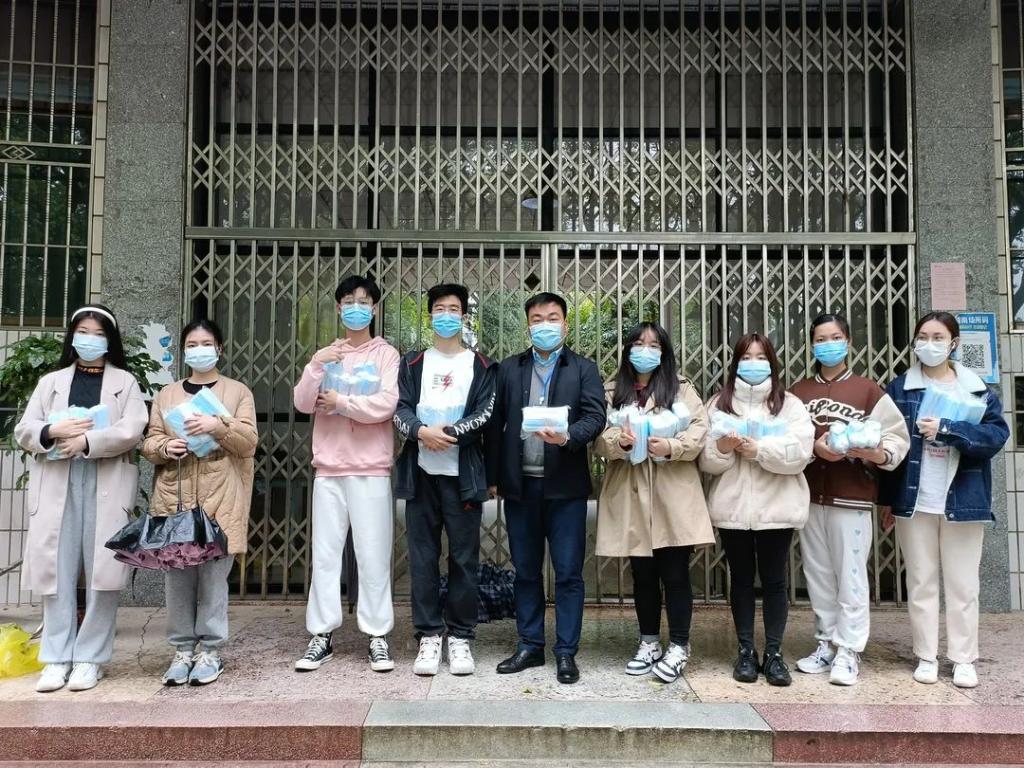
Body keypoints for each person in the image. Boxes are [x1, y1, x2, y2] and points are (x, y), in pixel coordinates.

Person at [15, 305, 148, 693]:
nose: (90, 340)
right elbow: (25, 429)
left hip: (104, 477)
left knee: (102, 572)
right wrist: (52, 431)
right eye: (83, 332)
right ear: (72, 337)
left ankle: (90, 658)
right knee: (56, 567)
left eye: (98, 334)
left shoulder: (125, 382)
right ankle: (56, 658)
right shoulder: (51, 382)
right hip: (58, 478)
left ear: (110, 340)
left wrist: (87, 441)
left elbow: (133, 428)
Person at [879, 311, 1009, 689]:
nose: (929, 344)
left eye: (938, 337)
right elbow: (890, 443)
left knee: (963, 584)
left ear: (954, 343)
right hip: (915, 500)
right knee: (921, 581)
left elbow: (995, 436)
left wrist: (948, 429)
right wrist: (888, 500)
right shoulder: (901, 388)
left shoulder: (976, 389)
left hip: (963, 499)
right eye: (923, 336)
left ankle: (963, 658)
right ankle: (926, 655)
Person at [487, 292, 606, 685]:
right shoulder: (510, 369)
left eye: (552, 318)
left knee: (569, 572)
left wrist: (568, 436)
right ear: (528, 325)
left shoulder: (583, 368)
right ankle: (530, 645)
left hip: (565, 488)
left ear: (565, 325)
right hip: (521, 487)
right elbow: (495, 424)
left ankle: (566, 652)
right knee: (525, 571)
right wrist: (493, 476)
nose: (545, 325)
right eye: (537, 319)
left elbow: (596, 416)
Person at [790, 314, 910, 686]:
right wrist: (814, 448)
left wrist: (876, 453)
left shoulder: (868, 391)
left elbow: (897, 439)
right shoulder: (798, 392)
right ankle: (826, 642)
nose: (828, 344)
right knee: (818, 574)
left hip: (852, 497)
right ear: (811, 345)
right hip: (809, 495)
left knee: (851, 576)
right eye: (820, 339)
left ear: (848, 342)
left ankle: (849, 649)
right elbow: (787, 439)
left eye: (835, 337)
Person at [594, 322, 715, 684]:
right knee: (643, 574)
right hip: (631, 493)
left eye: (653, 344)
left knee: (675, 573)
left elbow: (699, 429)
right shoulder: (612, 390)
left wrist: (672, 446)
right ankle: (648, 642)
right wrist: (620, 443)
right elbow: (597, 436)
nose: (645, 350)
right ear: (628, 349)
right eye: (638, 343)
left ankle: (679, 645)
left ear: (664, 352)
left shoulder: (681, 389)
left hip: (672, 493)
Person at [291, 275, 401, 673]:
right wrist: (315, 365)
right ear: (338, 308)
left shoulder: (386, 355)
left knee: (373, 554)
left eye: (364, 301)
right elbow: (303, 403)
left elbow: (387, 404)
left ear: (374, 308)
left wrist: (342, 402)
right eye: (349, 301)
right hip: (329, 469)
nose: (356, 307)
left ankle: (377, 635)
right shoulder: (326, 355)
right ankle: (321, 633)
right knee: (324, 555)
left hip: (370, 468)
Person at [141, 318, 258, 686]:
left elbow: (249, 443)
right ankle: (181, 650)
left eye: (206, 343)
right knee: (177, 577)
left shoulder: (237, 392)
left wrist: (216, 426)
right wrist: (165, 446)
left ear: (219, 348)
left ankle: (209, 650)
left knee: (212, 578)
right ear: (184, 350)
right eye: (192, 344)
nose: (199, 350)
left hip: (220, 493)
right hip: (175, 496)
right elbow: (150, 442)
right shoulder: (167, 395)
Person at [698, 332, 814, 687]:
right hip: (733, 510)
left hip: (776, 509)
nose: (753, 364)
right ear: (735, 364)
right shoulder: (718, 404)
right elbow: (705, 461)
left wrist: (758, 451)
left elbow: (801, 453)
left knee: (776, 581)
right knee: (741, 581)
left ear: (772, 363)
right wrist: (723, 448)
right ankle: (746, 651)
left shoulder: (789, 405)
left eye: (761, 357)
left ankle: (774, 654)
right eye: (746, 357)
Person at [393, 283, 495, 677]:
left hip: (463, 476)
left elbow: (486, 413)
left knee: (464, 558)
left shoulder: (481, 365)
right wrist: (421, 432)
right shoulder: (413, 363)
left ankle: (461, 635)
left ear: (464, 316)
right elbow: (400, 408)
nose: (447, 315)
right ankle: (429, 634)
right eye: (439, 308)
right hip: (421, 475)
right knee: (422, 557)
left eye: (454, 309)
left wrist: (449, 434)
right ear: (430, 315)